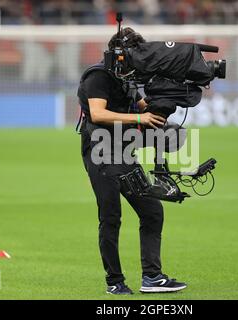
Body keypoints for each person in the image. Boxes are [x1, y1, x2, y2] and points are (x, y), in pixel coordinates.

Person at [77, 27, 187, 295]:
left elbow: (143, 107)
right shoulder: (98, 76)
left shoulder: (128, 78)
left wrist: (175, 91)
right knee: (111, 217)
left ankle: (152, 277)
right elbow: (98, 113)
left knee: (151, 212)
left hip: (124, 153)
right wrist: (141, 119)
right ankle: (115, 282)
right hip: (100, 152)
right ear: (119, 55)